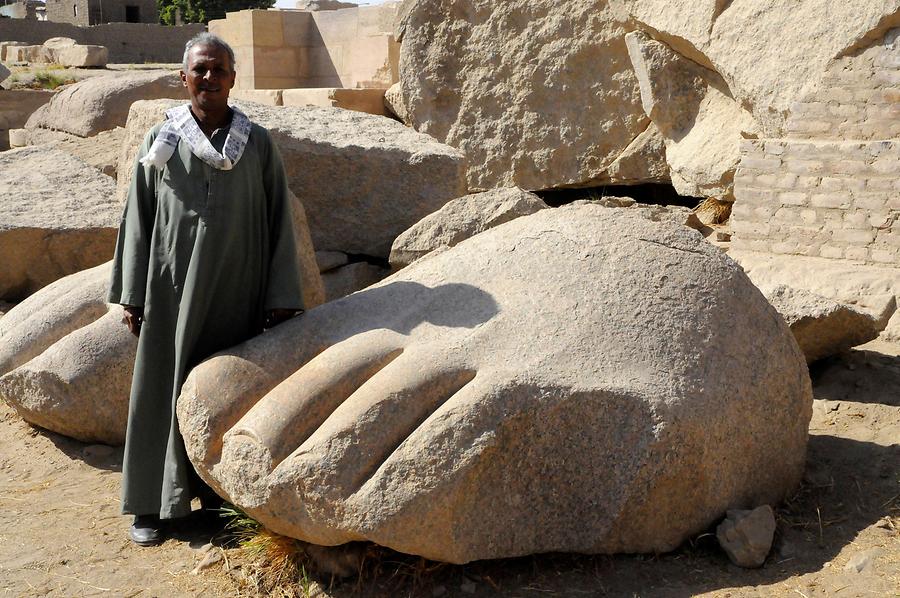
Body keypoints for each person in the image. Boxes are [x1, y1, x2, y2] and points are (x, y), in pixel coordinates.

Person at [108, 32, 304, 546]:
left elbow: (280, 218)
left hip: (237, 291)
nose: (210, 79)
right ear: (184, 77)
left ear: (234, 79)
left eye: (219, 70)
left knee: (225, 393)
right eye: (201, 70)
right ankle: (150, 505)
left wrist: (281, 294)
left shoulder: (256, 143)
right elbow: (138, 216)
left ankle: (220, 500)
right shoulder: (162, 139)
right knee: (159, 389)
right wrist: (131, 291)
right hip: (169, 290)